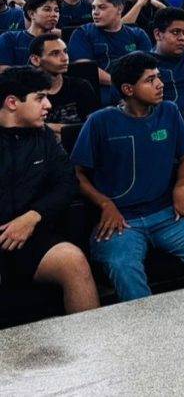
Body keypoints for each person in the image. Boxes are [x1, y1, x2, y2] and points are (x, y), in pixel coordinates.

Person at [72, 53, 184, 301]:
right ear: (127, 89)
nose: (160, 84)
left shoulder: (169, 111)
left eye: (159, 77)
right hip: (121, 220)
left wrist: (181, 188)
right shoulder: (100, 122)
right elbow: (78, 174)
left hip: (166, 213)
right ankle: (147, 331)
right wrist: (105, 204)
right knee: (123, 264)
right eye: (150, 80)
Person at [0, 67, 100, 316]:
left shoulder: (44, 137)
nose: (48, 105)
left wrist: (33, 216)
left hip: (31, 236)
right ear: (12, 102)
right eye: (39, 98)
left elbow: (67, 184)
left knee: (73, 261)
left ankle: (94, 350)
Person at [69, 0, 153, 104]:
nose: (95, 12)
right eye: (93, 8)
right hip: (99, 93)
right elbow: (85, 68)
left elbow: (149, 68)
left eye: (102, 7)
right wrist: (120, 86)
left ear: (119, 9)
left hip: (136, 91)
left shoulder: (138, 34)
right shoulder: (82, 33)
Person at [28, 33, 99, 136]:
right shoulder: (26, 90)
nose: (65, 58)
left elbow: (94, 127)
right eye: (55, 53)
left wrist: (50, 127)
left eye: (65, 52)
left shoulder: (81, 86)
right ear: (35, 60)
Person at [0, 0, 61, 68]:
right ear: (32, 14)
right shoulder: (9, 39)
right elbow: (3, 73)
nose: (54, 14)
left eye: (57, 10)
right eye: (47, 9)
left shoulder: (60, 43)